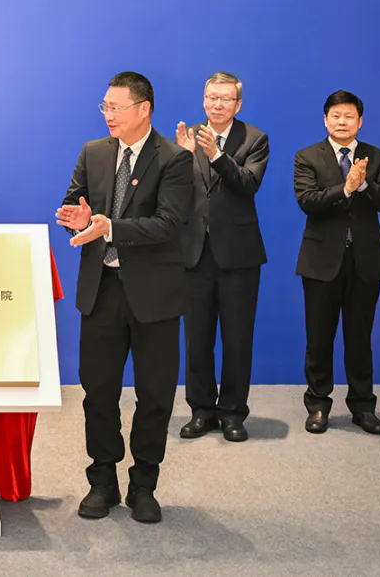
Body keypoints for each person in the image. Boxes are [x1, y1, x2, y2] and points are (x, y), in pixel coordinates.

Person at [56, 72, 192, 524]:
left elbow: (168, 223)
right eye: (105, 107)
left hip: (154, 295)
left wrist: (110, 226)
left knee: (154, 395)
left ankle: (144, 484)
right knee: (98, 392)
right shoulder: (93, 152)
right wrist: (77, 218)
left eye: (116, 107)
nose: (108, 115)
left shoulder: (173, 158)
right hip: (102, 290)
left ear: (144, 109)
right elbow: (75, 204)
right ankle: (102, 481)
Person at [294, 90, 380, 435]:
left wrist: (364, 184)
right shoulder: (307, 156)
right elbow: (308, 202)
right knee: (319, 338)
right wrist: (347, 188)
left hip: (365, 260)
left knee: (360, 338)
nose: (342, 122)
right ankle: (318, 406)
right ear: (325, 120)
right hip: (321, 261)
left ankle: (363, 407)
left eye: (349, 116)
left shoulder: (376, 156)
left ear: (360, 121)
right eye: (336, 116)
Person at [176, 72, 269, 443]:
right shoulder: (188, 137)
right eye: (211, 97)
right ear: (204, 99)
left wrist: (216, 155)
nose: (217, 104)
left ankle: (232, 413)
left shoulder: (254, 138)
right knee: (197, 339)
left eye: (225, 99)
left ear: (238, 104)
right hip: (195, 253)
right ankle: (201, 411)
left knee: (237, 339)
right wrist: (183, 159)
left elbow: (248, 184)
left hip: (239, 256)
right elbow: (174, 193)